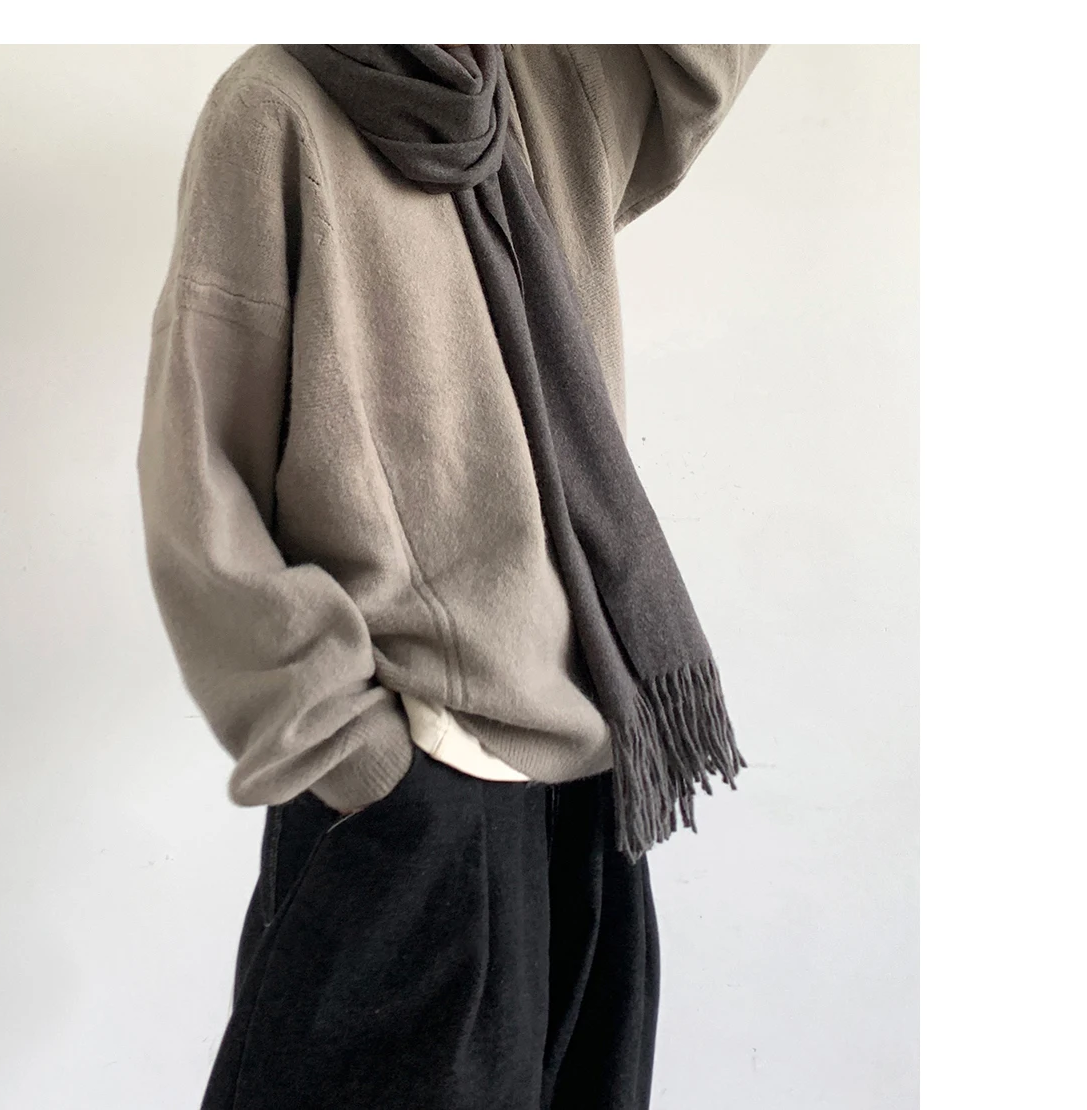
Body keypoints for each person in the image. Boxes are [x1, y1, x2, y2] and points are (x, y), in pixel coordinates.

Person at [137, 42, 769, 1110]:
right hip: (414, 798)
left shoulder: (543, 84)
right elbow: (199, 479)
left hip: (596, 787)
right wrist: (364, 760)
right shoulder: (272, 111)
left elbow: (703, 60)